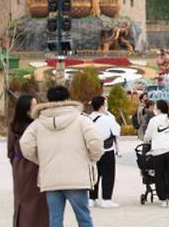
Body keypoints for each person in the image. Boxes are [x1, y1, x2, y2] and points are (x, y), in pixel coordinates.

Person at [19, 86, 104, 227]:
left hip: (50, 178)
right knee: (83, 217)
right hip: (77, 178)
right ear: (67, 98)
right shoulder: (81, 120)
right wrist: (91, 158)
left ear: (48, 99)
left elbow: (25, 145)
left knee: (55, 218)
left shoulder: (38, 123)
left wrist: (41, 160)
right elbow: (96, 142)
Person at [8, 94, 49, 227]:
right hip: (35, 165)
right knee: (38, 203)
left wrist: (16, 163)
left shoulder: (13, 126)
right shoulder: (37, 126)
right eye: (34, 105)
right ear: (26, 109)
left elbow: (10, 151)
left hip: (19, 166)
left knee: (22, 200)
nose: (37, 108)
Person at [143, 100, 169, 207]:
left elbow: (148, 135)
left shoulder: (154, 120)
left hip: (158, 151)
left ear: (158, 109)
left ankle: (163, 198)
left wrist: (145, 142)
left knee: (160, 176)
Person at [88, 96, 121, 209]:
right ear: (102, 106)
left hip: (92, 150)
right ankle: (106, 199)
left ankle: (92, 199)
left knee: (93, 174)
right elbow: (117, 131)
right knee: (108, 175)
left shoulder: (88, 118)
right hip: (107, 150)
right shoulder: (108, 119)